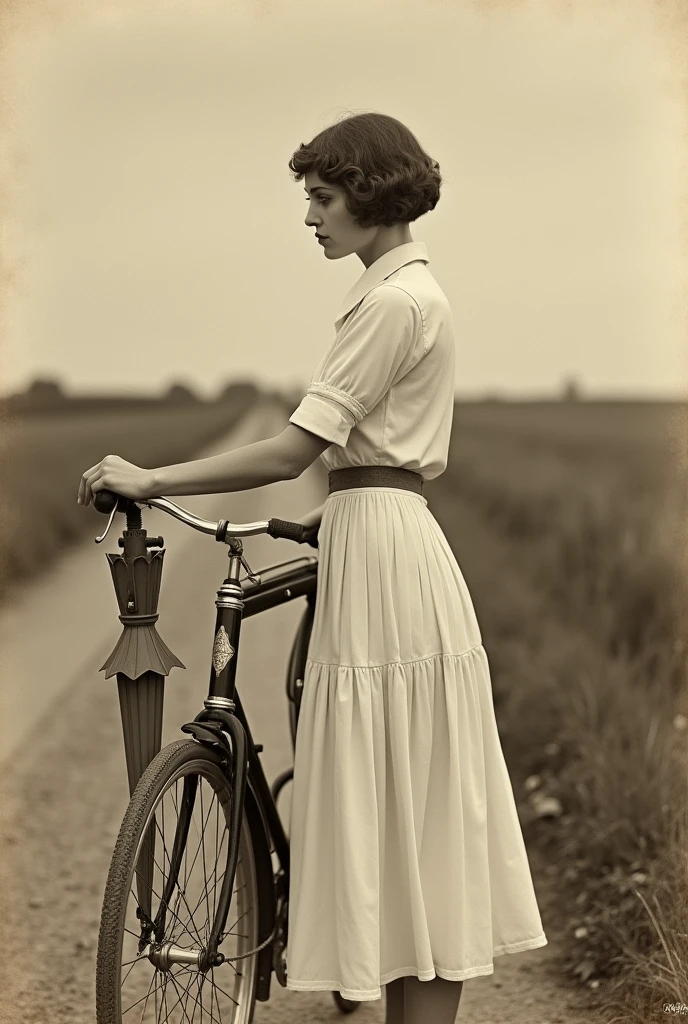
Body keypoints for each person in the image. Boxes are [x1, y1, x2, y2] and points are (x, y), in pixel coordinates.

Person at [76, 109, 547, 1024]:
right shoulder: (406, 293)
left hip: (387, 557)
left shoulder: (394, 302)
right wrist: (323, 521)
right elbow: (372, 459)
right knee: (404, 810)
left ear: (371, 195)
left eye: (322, 198)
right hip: (378, 534)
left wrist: (152, 474)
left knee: (400, 806)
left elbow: (296, 447)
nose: (310, 218)